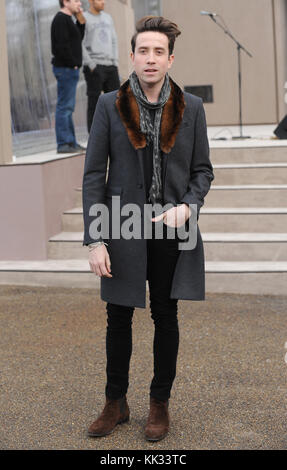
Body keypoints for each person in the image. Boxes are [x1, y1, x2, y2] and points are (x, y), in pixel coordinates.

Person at [82, 16, 214, 441]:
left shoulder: (191, 107)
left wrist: (188, 208)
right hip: (121, 225)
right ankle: (115, 402)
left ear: (170, 58)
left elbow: (202, 171)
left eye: (159, 52)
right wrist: (95, 238)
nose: (151, 58)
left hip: (170, 227)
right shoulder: (109, 103)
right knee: (117, 316)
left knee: (165, 314)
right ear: (133, 56)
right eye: (144, 51)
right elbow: (92, 176)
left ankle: (160, 404)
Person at [51, 0, 86, 153]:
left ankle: (70, 142)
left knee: (68, 107)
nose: (79, 3)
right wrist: (73, 63)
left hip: (70, 69)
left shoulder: (69, 20)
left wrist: (81, 21)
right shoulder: (60, 19)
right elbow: (61, 47)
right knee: (64, 107)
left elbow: (78, 39)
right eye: (76, 0)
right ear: (65, 2)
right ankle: (64, 143)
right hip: (65, 69)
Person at [82, 0, 120, 132]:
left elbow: (114, 40)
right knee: (94, 102)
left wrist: (115, 62)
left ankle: (116, 133)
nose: (103, 2)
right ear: (91, 1)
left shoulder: (108, 18)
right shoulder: (83, 18)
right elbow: (79, 43)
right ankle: (93, 135)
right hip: (94, 66)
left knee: (116, 102)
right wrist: (91, 64)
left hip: (111, 66)